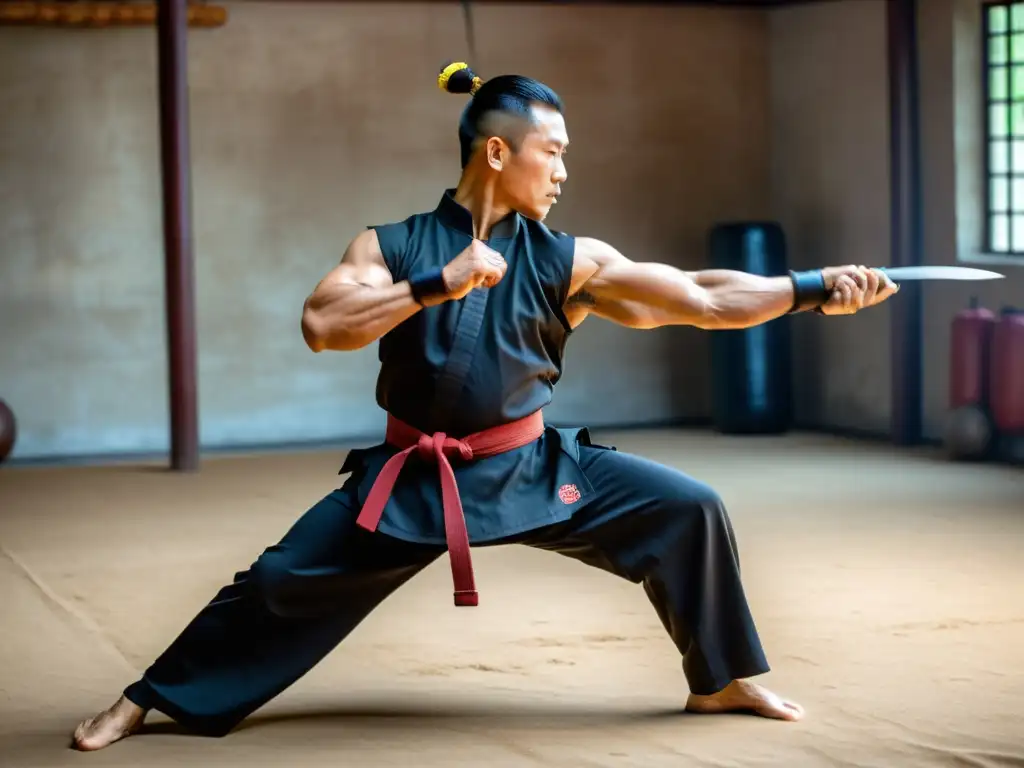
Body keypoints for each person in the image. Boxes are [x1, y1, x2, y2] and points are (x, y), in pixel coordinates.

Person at [72, 61, 898, 751]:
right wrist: (438, 282)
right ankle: (148, 697)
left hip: (529, 467)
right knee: (280, 581)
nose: (565, 171)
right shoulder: (390, 246)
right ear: (498, 151)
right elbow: (323, 325)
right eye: (554, 152)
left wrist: (813, 289)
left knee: (689, 509)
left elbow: (702, 297)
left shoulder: (571, 259)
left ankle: (719, 681)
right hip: (414, 478)